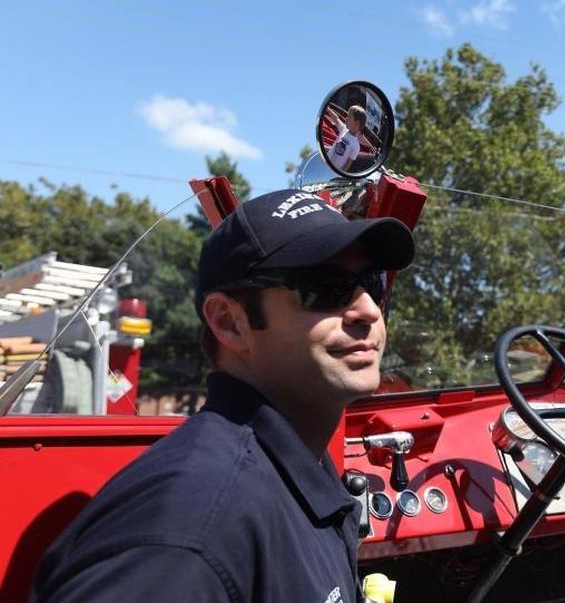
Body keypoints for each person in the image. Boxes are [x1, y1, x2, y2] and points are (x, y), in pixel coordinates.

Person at [30, 189, 415, 603]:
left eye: (372, 285)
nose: (369, 311)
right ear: (229, 323)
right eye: (324, 287)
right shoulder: (191, 530)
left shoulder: (296, 474)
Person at [328, 104, 367, 171]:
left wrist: (340, 176)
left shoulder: (356, 146)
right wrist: (327, 108)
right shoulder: (344, 129)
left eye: (349, 117)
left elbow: (348, 164)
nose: (346, 118)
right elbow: (336, 119)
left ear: (357, 123)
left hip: (334, 172)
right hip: (326, 162)